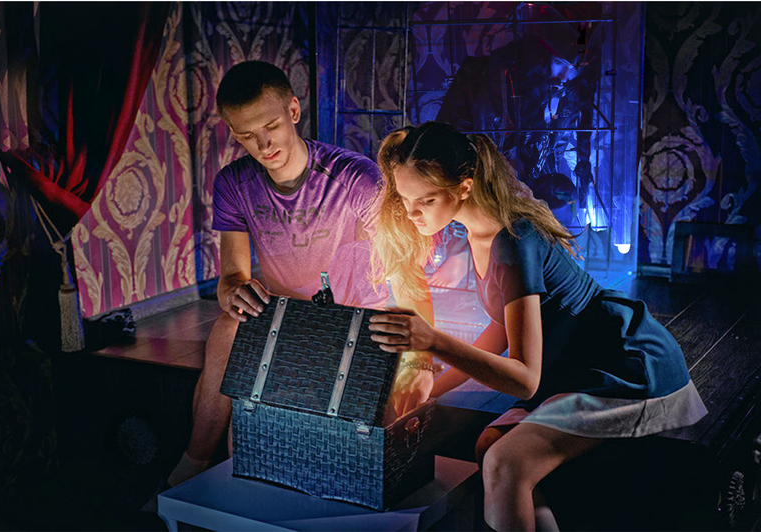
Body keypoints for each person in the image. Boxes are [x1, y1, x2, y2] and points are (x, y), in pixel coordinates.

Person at [367, 121, 707, 531]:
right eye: (405, 199)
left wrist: (432, 341)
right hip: (578, 368)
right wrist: (431, 390)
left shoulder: (512, 239)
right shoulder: (478, 234)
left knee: (505, 461)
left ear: (464, 187)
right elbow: (499, 331)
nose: (412, 213)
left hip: (628, 368)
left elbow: (525, 380)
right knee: (490, 445)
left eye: (427, 200)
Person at [165, 61, 435, 488]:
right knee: (227, 331)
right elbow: (230, 277)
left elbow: (405, 272)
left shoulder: (355, 178)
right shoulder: (233, 183)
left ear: (293, 110)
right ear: (233, 133)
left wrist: (421, 358)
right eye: (247, 135)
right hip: (286, 321)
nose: (263, 144)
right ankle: (192, 463)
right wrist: (235, 293)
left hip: (354, 323)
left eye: (271, 126)